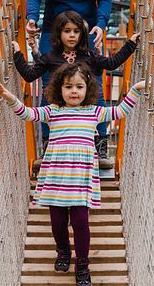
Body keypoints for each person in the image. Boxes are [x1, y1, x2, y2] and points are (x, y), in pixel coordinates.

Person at [0, 61, 146, 286]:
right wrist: (10, 98)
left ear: (88, 90)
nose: (74, 91)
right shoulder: (53, 111)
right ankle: (63, 251)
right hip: (57, 177)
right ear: (60, 89)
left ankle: (83, 267)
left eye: (79, 86)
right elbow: (28, 114)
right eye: (69, 87)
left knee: (80, 223)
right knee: (57, 223)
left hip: (79, 179)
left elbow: (120, 111)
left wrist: (135, 90)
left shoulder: (94, 112)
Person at [24, 0, 113, 165]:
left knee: (94, 83)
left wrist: (100, 25)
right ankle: (49, 145)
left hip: (86, 28)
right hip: (54, 28)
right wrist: (32, 18)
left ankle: (99, 146)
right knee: (48, 84)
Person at [15, 11, 138, 168]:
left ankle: (98, 152)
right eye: (67, 31)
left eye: (76, 31)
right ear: (59, 34)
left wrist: (130, 44)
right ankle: (49, 153)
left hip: (82, 106)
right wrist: (18, 53)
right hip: (60, 107)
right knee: (49, 118)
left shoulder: (88, 56)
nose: (72, 35)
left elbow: (111, 63)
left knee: (94, 118)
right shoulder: (51, 57)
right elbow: (30, 75)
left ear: (82, 34)